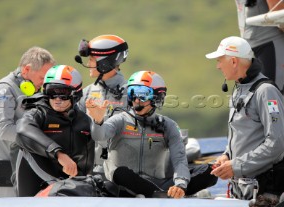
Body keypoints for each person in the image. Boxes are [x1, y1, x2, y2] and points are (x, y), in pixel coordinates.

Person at [85, 70, 217, 198]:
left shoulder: (168, 125)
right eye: (132, 93)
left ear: (157, 97)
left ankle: (165, 194)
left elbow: (180, 160)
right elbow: (99, 136)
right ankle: (161, 196)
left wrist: (180, 185)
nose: (137, 99)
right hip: (123, 186)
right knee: (120, 172)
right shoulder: (119, 120)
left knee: (211, 171)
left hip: (158, 185)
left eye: (142, 94)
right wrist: (98, 121)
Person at [206, 36, 284, 201]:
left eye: (220, 60)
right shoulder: (239, 89)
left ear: (234, 61)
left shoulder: (266, 91)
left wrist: (236, 165)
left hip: (265, 190)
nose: (218, 66)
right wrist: (227, 155)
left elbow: (277, 143)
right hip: (243, 189)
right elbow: (242, 134)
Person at [0, 46, 56, 198]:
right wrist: (39, 141)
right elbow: (5, 129)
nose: (44, 82)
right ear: (26, 70)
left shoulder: (34, 91)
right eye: (42, 77)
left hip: (21, 164)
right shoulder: (4, 90)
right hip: (1, 165)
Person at [15, 65, 95, 196]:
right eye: (52, 92)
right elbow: (22, 129)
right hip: (38, 186)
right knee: (26, 143)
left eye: (63, 94)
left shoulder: (84, 120)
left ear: (76, 94)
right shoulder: (38, 112)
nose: (57, 99)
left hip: (72, 187)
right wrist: (59, 154)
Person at [75, 34, 129, 173]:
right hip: (91, 170)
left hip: (122, 171)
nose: (88, 64)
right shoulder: (86, 93)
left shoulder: (131, 93)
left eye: (92, 59)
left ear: (105, 64)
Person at [235, 0, 284, 93]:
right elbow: (278, 10)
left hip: (263, 42)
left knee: (270, 94)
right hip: (264, 43)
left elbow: (277, 10)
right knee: (268, 94)